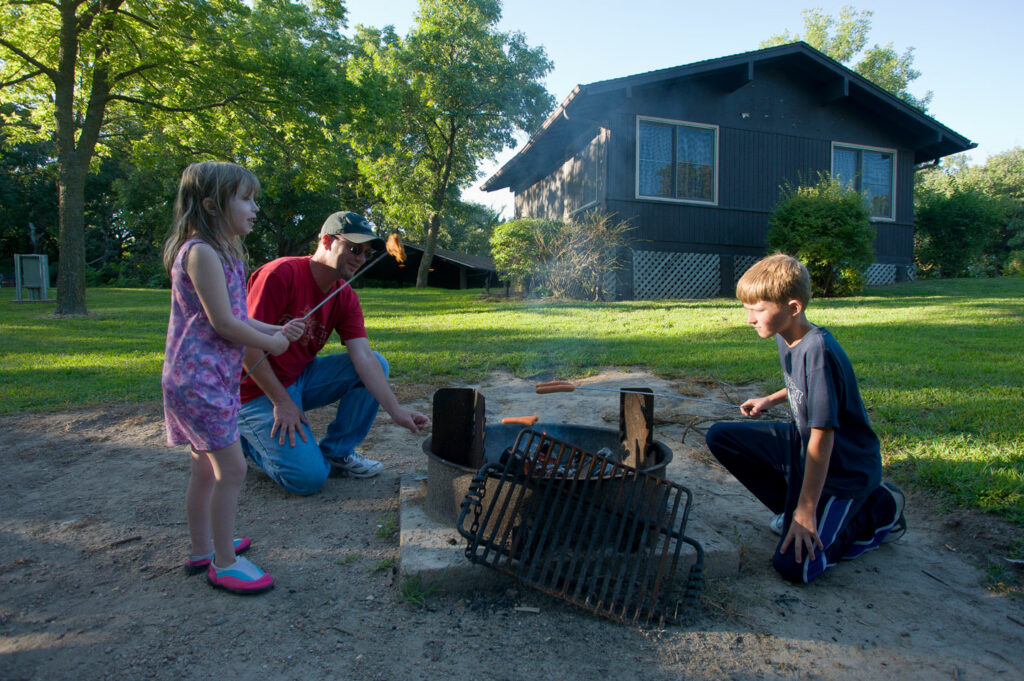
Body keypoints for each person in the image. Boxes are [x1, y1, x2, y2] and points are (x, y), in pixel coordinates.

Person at [705, 253, 906, 584]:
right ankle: (792, 513)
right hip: (803, 448)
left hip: (842, 469)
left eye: (758, 309)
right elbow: (803, 386)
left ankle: (879, 509)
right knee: (721, 437)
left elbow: (823, 436)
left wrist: (806, 509)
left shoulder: (818, 350)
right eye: (746, 309)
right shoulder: (789, 336)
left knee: (796, 567)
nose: (749, 319)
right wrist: (770, 399)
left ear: (793, 307)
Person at [162, 161, 305, 594]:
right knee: (232, 468)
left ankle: (203, 548)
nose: (254, 207)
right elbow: (223, 324)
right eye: (246, 198)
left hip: (208, 380)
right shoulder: (201, 252)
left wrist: (275, 332)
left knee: (205, 470)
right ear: (211, 204)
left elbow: (240, 319)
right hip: (198, 382)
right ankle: (224, 563)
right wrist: (274, 346)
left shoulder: (225, 254)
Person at [237, 211, 430, 496]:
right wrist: (282, 401)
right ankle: (242, 440)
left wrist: (396, 411)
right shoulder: (280, 274)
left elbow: (363, 358)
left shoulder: (345, 295)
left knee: (376, 363)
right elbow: (244, 344)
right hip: (255, 390)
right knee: (308, 479)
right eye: (354, 248)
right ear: (327, 241)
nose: (360, 258)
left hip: (300, 378)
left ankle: (337, 453)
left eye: (365, 252)